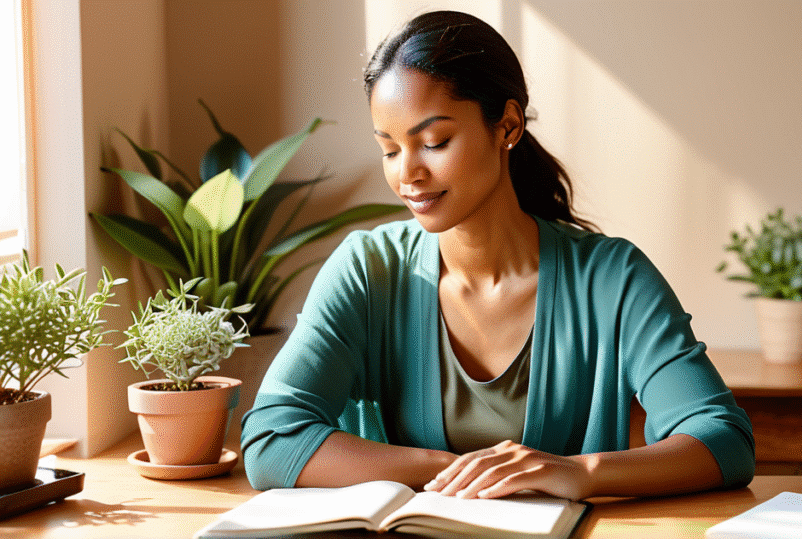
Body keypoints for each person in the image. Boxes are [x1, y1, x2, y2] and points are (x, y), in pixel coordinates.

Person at [241, 10, 754, 501]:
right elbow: (270, 441)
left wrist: (578, 473)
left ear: (508, 126)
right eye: (390, 149)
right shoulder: (369, 270)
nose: (407, 175)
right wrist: (456, 471)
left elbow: (722, 441)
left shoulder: (612, 278)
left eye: (435, 141)